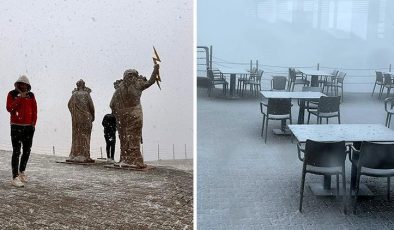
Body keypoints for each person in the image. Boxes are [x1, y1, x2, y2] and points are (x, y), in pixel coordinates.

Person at [110, 64, 159, 168]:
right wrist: (155, 70)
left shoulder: (119, 89)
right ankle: (134, 161)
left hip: (122, 116)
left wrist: (117, 114)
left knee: (125, 138)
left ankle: (125, 159)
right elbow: (150, 81)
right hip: (134, 114)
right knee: (133, 137)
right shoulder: (137, 84)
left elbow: (112, 104)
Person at [6, 75, 37, 187]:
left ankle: (21, 172)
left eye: (25, 84)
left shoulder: (31, 95)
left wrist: (33, 124)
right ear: (18, 84)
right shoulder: (12, 94)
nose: (23, 86)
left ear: (28, 85)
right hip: (16, 126)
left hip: (29, 127)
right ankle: (15, 177)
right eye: (21, 84)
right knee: (16, 151)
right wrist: (19, 98)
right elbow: (9, 108)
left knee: (27, 150)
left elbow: (34, 110)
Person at [67, 79, 95, 163]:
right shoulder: (86, 94)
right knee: (85, 136)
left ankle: (75, 154)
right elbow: (91, 107)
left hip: (77, 119)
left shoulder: (74, 95)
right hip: (85, 117)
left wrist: (74, 112)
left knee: (77, 136)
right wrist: (92, 116)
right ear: (83, 85)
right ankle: (83, 154)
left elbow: (69, 104)